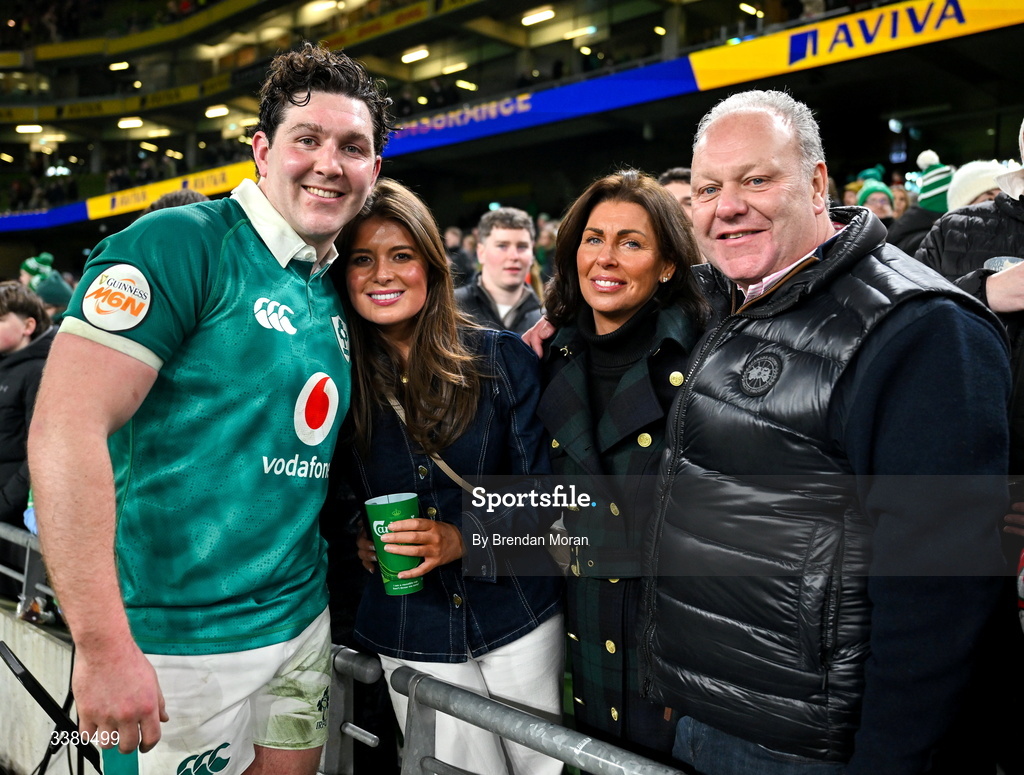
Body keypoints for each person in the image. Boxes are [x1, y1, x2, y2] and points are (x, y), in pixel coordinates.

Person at [28, 42, 389, 774]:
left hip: (298, 625)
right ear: (261, 150)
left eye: (354, 147)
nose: (330, 162)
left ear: (374, 171)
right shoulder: (176, 245)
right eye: (307, 139)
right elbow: (64, 430)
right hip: (167, 647)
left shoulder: (330, 284)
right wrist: (101, 648)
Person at [641, 90, 1010, 775]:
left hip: (814, 752)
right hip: (713, 719)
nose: (727, 205)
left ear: (817, 183)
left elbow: (941, 596)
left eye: (756, 178)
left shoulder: (922, 330)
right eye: (708, 187)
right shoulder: (740, 299)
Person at [336, 178, 563, 775]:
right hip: (412, 627)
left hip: (517, 614)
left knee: (545, 770)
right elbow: (320, 492)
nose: (383, 274)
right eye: (362, 259)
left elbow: (552, 499)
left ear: (431, 266)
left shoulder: (500, 358)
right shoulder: (333, 377)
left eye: (401, 255)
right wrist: (358, 529)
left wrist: (463, 536)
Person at [537, 170, 708, 761]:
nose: (605, 259)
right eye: (593, 239)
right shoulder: (543, 358)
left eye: (631, 242)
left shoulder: (709, 358)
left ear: (667, 265)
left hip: (677, 664)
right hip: (584, 652)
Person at [0, 282, 54, 598]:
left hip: (15, 523)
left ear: (28, 326)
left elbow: (39, 450)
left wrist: (5, 504)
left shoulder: (40, 372)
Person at [455, 207, 541, 335]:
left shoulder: (546, 321)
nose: (514, 256)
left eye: (522, 246)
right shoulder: (450, 309)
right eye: (502, 246)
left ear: (532, 254)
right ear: (481, 253)